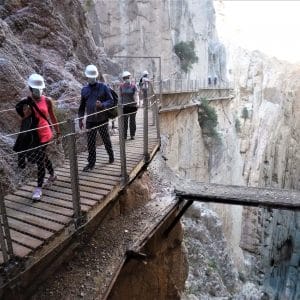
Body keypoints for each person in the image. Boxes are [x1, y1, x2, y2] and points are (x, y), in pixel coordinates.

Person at [26, 74, 61, 201]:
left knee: (40, 159)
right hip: (34, 136)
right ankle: (52, 174)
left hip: (45, 134)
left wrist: (58, 131)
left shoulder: (47, 100)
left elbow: (52, 116)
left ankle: (38, 188)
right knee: (43, 156)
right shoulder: (27, 101)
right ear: (30, 88)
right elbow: (24, 120)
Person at [78, 64, 114, 172]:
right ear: (87, 77)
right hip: (90, 120)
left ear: (96, 76)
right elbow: (82, 106)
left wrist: (102, 105)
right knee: (91, 143)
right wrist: (80, 119)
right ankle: (91, 163)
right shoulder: (84, 90)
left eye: (92, 76)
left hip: (102, 119)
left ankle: (111, 155)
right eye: (89, 76)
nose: (91, 78)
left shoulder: (104, 87)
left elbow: (111, 101)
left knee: (106, 139)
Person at [120, 71, 138, 140]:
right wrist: (120, 104)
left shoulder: (133, 86)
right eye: (125, 78)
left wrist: (137, 103)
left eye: (128, 77)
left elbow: (136, 95)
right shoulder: (121, 86)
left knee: (132, 121)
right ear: (123, 79)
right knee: (125, 121)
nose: (127, 79)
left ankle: (132, 135)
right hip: (125, 106)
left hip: (133, 105)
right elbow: (120, 96)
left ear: (130, 77)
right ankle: (124, 135)